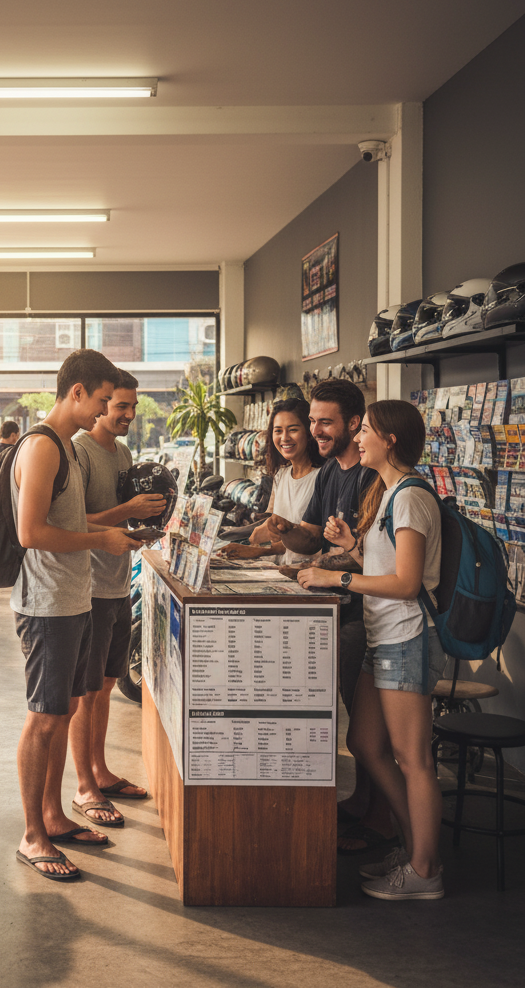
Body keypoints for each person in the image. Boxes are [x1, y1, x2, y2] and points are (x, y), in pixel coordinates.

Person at [297, 399, 445, 900]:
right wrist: (353, 547)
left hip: (406, 638)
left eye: (368, 431)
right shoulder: (386, 494)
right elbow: (386, 561)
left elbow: (406, 583)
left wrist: (337, 574)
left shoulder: (410, 497)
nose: (358, 437)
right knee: (363, 743)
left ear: (392, 440)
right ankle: (413, 847)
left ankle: (425, 869)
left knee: (412, 758)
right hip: (383, 637)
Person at [11, 349, 137, 881]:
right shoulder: (43, 445)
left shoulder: (66, 445)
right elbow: (30, 533)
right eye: (103, 400)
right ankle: (32, 836)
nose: (106, 410)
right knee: (43, 719)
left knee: (60, 715)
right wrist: (101, 538)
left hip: (74, 600)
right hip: (46, 606)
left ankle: (54, 816)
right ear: (77, 392)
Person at [266, 379, 388, 854]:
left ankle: (380, 822)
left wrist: (314, 569)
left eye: (324, 421)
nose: (316, 430)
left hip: (365, 616)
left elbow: (366, 557)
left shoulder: (372, 479)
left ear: (354, 423)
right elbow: (312, 537)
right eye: (312, 420)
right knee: (352, 727)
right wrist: (285, 533)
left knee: (365, 732)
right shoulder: (331, 473)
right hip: (333, 613)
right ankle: (361, 805)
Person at [70, 369, 165, 814]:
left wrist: (145, 527)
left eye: (133, 406)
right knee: (85, 692)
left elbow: (118, 520)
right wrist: (128, 510)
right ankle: (85, 784)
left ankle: (101, 769)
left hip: (116, 585)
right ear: (101, 404)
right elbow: (71, 523)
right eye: (120, 405)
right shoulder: (78, 452)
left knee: (106, 687)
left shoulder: (124, 453)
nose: (128, 414)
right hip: (84, 590)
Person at [218, 397, 323, 563]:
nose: (284, 438)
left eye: (293, 429)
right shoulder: (281, 475)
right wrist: (256, 550)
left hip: (308, 577)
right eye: (278, 430)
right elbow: (279, 538)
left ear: (309, 432)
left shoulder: (322, 478)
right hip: (280, 573)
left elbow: (315, 542)